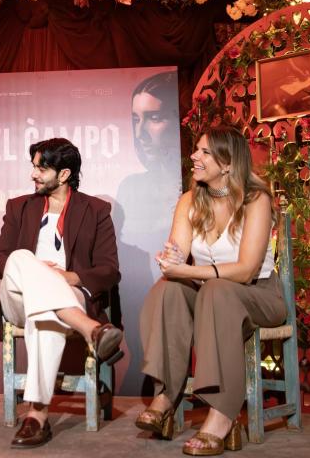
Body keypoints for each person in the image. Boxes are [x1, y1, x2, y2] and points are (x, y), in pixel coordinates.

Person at [136, 126, 284, 455]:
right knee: (169, 289)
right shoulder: (189, 200)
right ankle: (165, 396)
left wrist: (188, 270)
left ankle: (222, 415)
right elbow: (178, 254)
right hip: (209, 295)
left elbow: (246, 270)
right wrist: (171, 260)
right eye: (196, 150)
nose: (194, 156)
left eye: (204, 152)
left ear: (228, 163)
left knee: (215, 290)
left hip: (258, 295)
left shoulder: (256, 199)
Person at [0, 137, 123, 449]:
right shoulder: (19, 207)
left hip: (68, 293)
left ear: (64, 174)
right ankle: (91, 329)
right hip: (19, 298)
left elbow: (109, 270)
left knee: (45, 314)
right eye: (33, 167)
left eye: (41, 169)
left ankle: (37, 415)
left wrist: (68, 276)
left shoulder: (95, 210)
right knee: (20, 258)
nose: (33, 174)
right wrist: (38, 270)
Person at [115, 72, 183, 394]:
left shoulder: (194, 189)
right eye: (135, 120)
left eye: (154, 118)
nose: (140, 133)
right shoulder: (130, 187)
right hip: (138, 304)